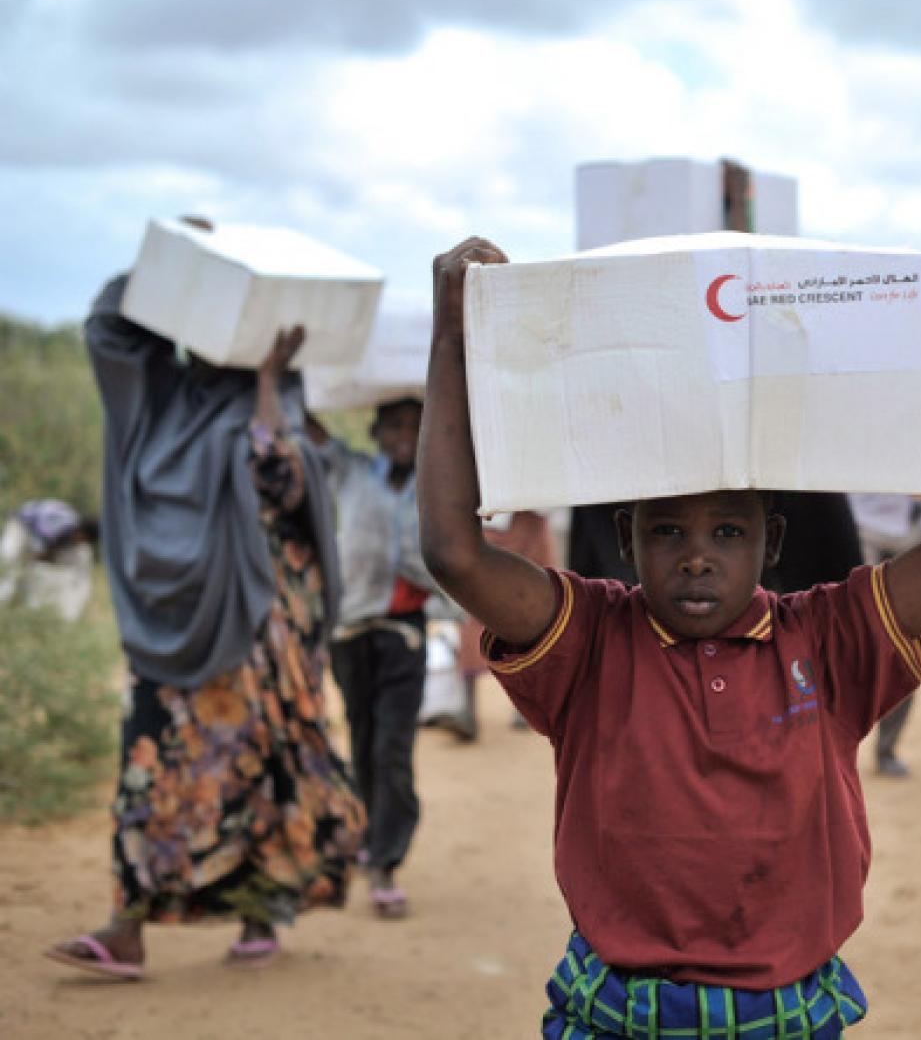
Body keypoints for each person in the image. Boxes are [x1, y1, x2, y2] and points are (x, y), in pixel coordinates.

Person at [418, 229, 921, 1037]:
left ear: (771, 542)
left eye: (728, 535)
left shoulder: (830, 639)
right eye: (667, 532)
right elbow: (453, 551)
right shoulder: (590, 640)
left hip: (789, 1013)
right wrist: (454, 335)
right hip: (619, 1011)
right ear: (627, 537)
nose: (697, 558)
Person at [47, 263, 363, 979]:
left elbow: (278, 474)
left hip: (256, 643)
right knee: (149, 769)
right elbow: (106, 332)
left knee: (256, 774)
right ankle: (126, 926)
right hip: (177, 636)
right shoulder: (164, 405)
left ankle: (259, 912)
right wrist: (165, 266)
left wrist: (264, 378)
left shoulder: (273, 400)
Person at [308, 398, 439, 919]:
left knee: (392, 747)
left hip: (403, 636)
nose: (405, 434)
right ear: (377, 431)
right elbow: (309, 430)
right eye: (396, 425)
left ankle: (385, 861)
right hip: (349, 632)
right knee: (362, 740)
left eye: (415, 425)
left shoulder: (437, 486)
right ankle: (367, 835)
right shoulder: (352, 472)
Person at [849, 493, 921, 777]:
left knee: (905, 645)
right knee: (853, 642)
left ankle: (887, 748)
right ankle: (833, 747)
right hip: (862, 527)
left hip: (919, 529)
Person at [452, 510, 560, 736]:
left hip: (514, 514)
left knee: (517, 613)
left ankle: (475, 709)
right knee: (514, 613)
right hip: (502, 514)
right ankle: (476, 710)